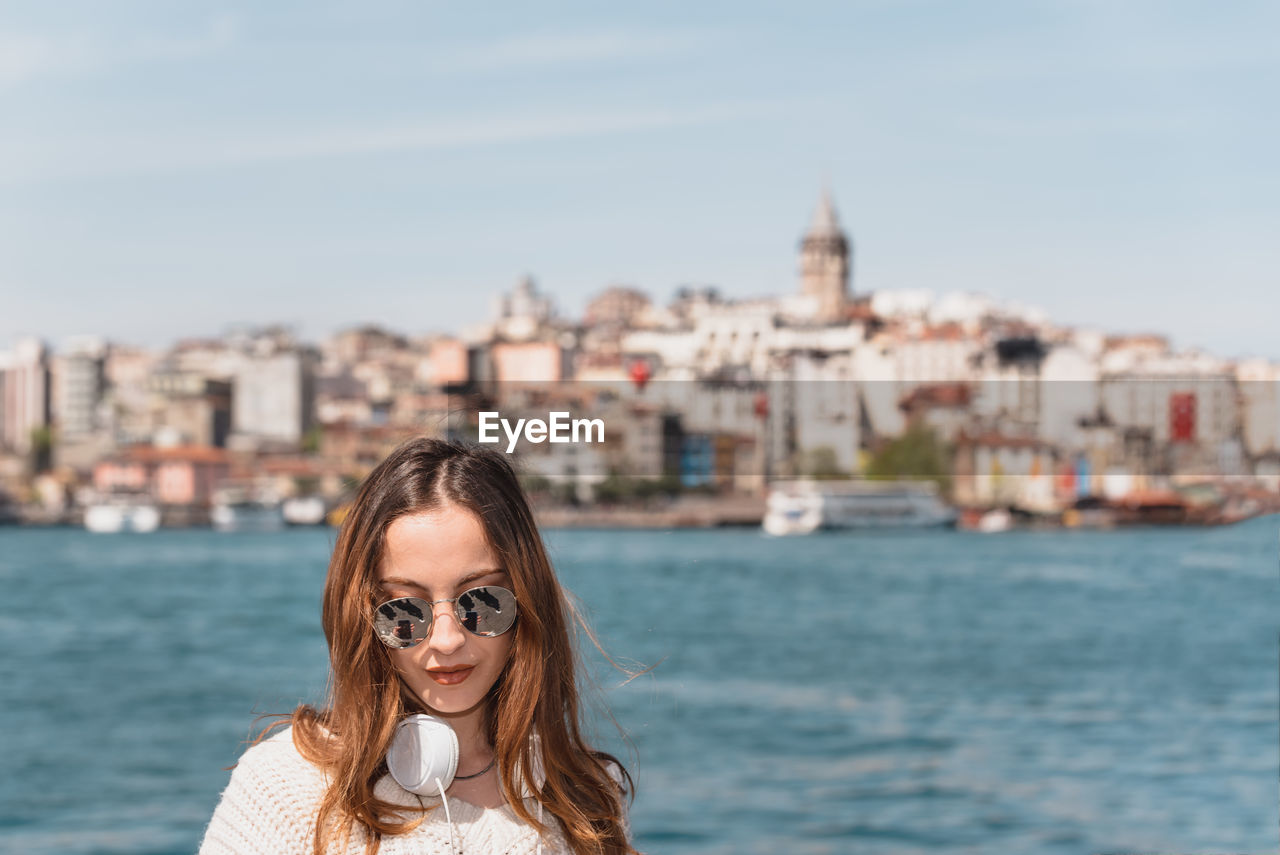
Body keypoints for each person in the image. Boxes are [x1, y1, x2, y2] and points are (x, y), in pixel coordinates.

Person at [199, 437, 636, 855]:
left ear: (527, 602)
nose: (446, 640)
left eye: (482, 600)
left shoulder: (588, 797)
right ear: (363, 616)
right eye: (405, 611)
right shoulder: (284, 790)